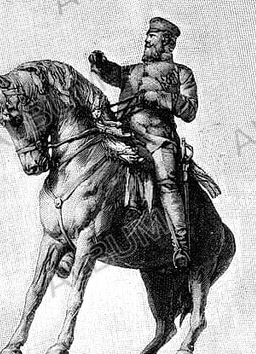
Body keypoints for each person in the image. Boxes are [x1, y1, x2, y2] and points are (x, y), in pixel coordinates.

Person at [89, 16, 197, 268]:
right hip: (124, 134)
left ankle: (180, 244)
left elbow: (190, 110)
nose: (147, 39)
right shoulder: (133, 70)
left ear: (167, 43)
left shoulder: (182, 73)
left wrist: (159, 97)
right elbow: (116, 74)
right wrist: (102, 65)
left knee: (168, 183)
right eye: (148, 35)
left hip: (158, 141)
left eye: (153, 36)